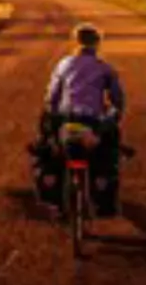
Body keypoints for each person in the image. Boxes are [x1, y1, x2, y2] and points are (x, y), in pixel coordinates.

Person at [33, 21, 126, 216]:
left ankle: (53, 197)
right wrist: (115, 115)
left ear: (76, 41)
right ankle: (103, 199)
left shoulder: (64, 64)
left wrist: (52, 116)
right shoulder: (104, 68)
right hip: (93, 122)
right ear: (98, 43)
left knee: (49, 148)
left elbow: (51, 97)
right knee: (108, 153)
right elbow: (118, 100)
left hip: (65, 119)